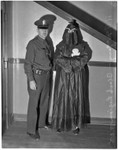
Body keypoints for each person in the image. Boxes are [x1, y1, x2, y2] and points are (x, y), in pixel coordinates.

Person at [51, 19, 92, 135]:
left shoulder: (83, 46)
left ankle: (76, 124)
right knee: (62, 98)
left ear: (77, 31)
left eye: (74, 30)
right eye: (69, 30)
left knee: (76, 98)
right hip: (63, 77)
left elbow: (85, 58)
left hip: (78, 78)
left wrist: (70, 63)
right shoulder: (60, 46)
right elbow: (57, 58)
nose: (71, 33)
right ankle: (60, 123)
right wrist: (71, 63)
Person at [24, 14, 56, 140]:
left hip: (46, 76)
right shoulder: (33, 44)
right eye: (42, 30)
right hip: (36, 77)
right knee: (34, 104)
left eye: (46, 29)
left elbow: (48, 60)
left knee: (44, 101)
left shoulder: (47, 42)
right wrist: (31, 80)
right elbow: (27, 64)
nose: (44, 32)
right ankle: (31, 130)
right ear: (37, 30)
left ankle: (41, 124)